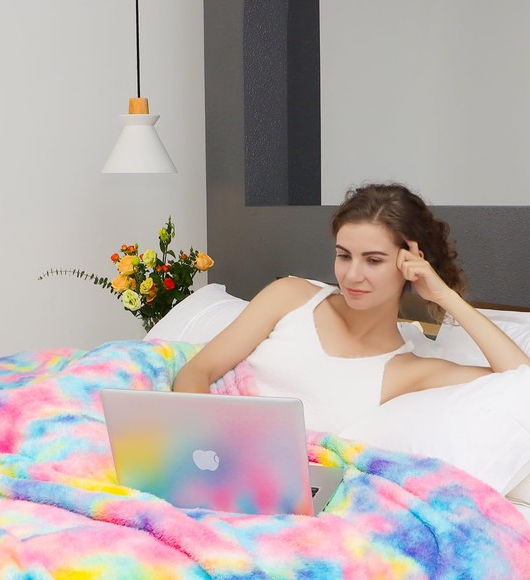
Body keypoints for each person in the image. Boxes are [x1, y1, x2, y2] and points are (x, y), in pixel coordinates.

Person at [173, 183, 530, 433]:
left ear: (410, 264)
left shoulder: (407, 371)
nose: (352, 275)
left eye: (373, 260)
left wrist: (443, 295)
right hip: (204, 450)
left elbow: (520, 380)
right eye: (344, 256)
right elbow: (196, 372)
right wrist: (213, 444)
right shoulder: (291, 297)